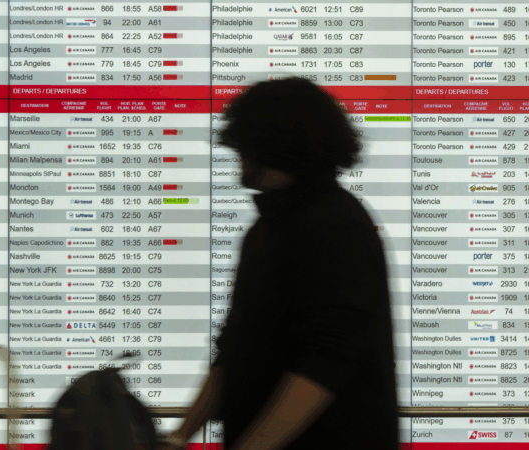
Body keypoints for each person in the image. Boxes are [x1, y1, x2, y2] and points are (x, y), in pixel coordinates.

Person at [161, 77, 399, 450]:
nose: (237, 156)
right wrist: (180, 436)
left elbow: (326, 360)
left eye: (243, 145)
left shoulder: (333, 224)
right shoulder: (270, 226)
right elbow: (234, 348)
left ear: (270, 145)